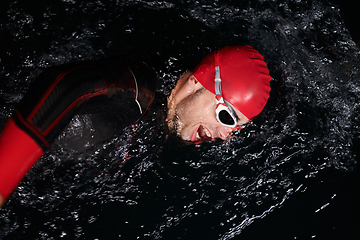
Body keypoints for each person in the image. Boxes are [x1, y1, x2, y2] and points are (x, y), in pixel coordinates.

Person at [0, 45, 272, 207]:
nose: (224, 135)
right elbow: (69, 83)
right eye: (227, 117)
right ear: (196, 84)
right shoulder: (139, 92)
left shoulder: (166, 121)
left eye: (235, 129)